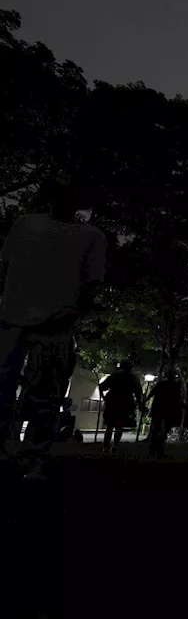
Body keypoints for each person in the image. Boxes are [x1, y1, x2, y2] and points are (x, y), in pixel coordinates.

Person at [0, 173, 107, 478]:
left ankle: (34, 458)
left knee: (44, 394)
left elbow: (91, 285)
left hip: (55, 322)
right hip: (10, 317)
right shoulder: (25, 224)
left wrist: (72, 314)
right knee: (4, 387)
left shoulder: (91, 236)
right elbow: (6, 266)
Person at [100, 361, 144, 453]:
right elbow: (138, 393)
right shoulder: (132, 378)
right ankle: (114, 446)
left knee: (110, 426)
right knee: (119, 426)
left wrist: (104, 397)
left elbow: (102, 386)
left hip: (113, 402)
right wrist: (139, 404)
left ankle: (106, 447)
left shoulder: (115, 376)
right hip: (125, 403)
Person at [147, 371, 184, 457]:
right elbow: (179, 398)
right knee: (160, 429)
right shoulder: (172, 385)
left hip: (163, 409)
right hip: (165, 409)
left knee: (158, 429)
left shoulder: (172, 385)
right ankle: (156, 448)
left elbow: (152, 393)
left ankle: (155, 448)